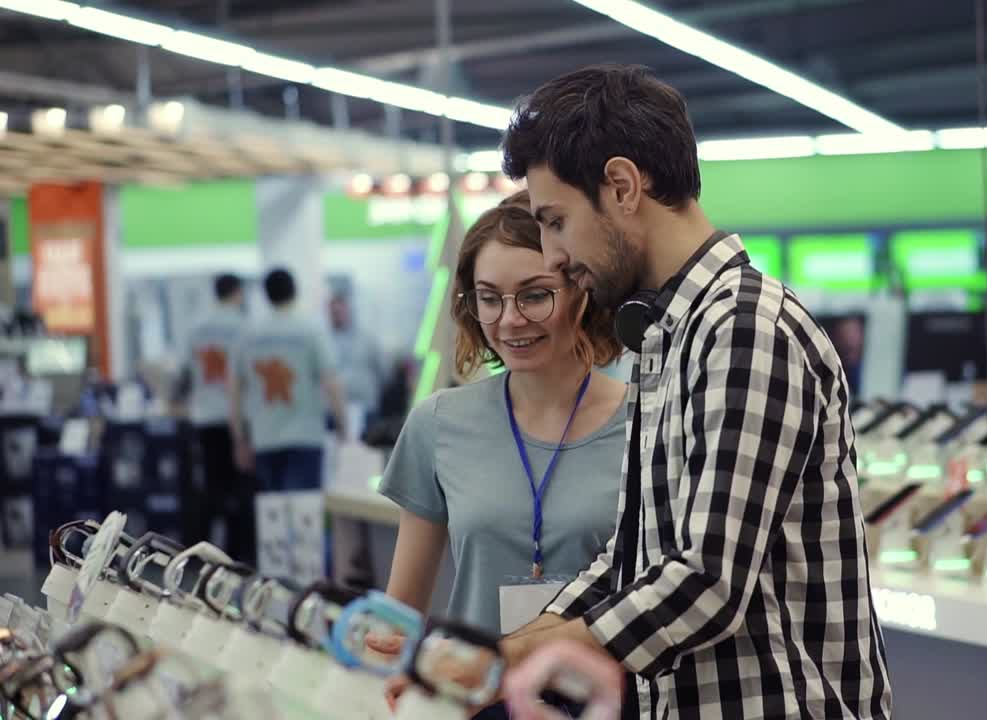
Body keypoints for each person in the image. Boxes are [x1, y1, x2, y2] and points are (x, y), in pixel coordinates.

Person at [497, 65, 893, 718]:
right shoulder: (667, 335)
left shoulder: (741, 329)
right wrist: (517, 650)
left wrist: (536, 654)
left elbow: (707, 579)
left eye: (556, 221)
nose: (552, 255)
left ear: (622, 186)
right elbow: (631, 558)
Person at [374, 192, 628, 716]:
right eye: (489, 298)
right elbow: (401, 610)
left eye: (534, 296)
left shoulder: (648, 423)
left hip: (607, 705)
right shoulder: (439, 423)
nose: (509, 320)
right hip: (475, 701)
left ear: (581, 292)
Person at [228, 268, 348, 493]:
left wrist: (239, 439)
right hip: (305, 436)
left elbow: (235, 389)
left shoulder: (248, 334)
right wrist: (343, 427)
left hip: (264, 438)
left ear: (266, 295)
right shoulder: (311, 330)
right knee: (305, 516)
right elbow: (331, 382)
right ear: (295, 291)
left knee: (271, 518)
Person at [178, 273, 255, 558]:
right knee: (240, 488)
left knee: (211, 487)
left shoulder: (197, 328)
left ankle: (203, 552)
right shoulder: (245, 327)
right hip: (237, 418)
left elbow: (184, 372)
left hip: (205, 416)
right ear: (236, 293)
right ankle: (236, 553)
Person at [328, 292, 386, 422]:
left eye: (340, 311)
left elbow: (382, 371)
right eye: (334, 312)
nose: (337, 315)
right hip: (334, 409)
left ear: (348, 311)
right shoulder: (323, 340)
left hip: (364, 406)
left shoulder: (367, 339)